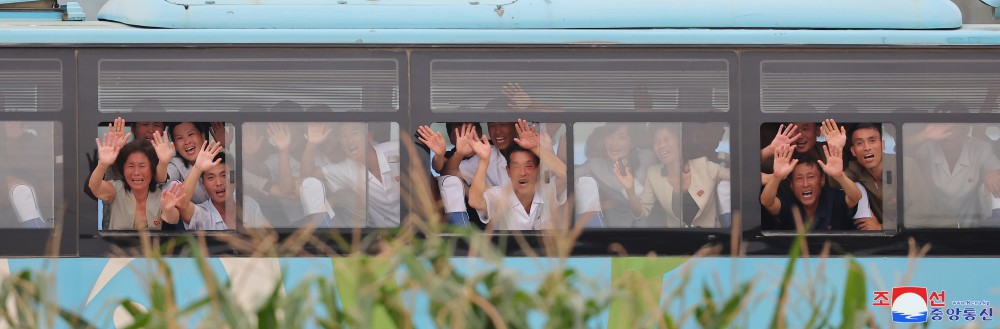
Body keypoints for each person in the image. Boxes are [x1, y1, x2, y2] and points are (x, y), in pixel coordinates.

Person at [468, 119, 567, 230]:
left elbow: (566, 175)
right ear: (508, 171)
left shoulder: (547, 190)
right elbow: (475, 201)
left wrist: (536, 148)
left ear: (537, 170)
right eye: (516, 166)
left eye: (528, 166)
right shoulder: (499, 195)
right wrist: (484, 160)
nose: (522, 172)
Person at [301, 122, 400, 228]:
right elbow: (307, 176)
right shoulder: (347, 170)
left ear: (368, 136)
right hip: (387, 237)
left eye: (354, 133)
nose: (349, 140)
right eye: (344, 136)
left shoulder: (397, 150)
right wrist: (312, 143)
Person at [631, 124, 731, 228]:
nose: (661, 145)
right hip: (677, 240)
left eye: (666, 139)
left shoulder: (704, 166)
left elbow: (739, 177)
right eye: (657, 141)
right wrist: (630, 190)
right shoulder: (653, 173)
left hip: (710, 240)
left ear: (680, 141)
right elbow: (641, 214)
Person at [906, 121, 1000, 228]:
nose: (947, 133)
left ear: (964, 130)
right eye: (942, 128)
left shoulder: (980, 149)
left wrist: (994, 174)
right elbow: (900, 151)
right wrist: (925, 135)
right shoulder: (927, 149)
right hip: (933, 229)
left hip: (974, 231)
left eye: (953, 127)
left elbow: (996, 172)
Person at [760, 144, 863, 231]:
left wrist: (840, 176)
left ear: (822, 180)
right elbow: (767, 202)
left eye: (811, 177)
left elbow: (855, 197)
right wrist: (777, 177)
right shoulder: (789, 202)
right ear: (792, 185)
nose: (805, 184)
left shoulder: (833, 198)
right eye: (799, 179)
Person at [169, 143, 269, 230]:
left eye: (224, 175)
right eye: (211, 178)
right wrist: (198, 167)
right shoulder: (202, 214)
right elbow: (181, 203)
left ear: (235, 179)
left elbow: (270, 237)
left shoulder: (249, 205)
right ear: (203, 185)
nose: (218, 183)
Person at [88, 133, 177, 230]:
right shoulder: (116, 189)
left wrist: (168, 209)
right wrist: (103, 164)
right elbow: (94, 187)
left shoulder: (161, 195)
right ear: (123, 169)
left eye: (142, 166)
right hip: (117, 245)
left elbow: (173, 219)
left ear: (152, 169)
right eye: (130, 166)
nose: (136, 172)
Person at [575, 123, 655, 228]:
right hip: (617, 233)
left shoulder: (647, 157)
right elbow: (569, 174)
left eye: (621, 137)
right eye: (610, 136)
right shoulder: (597, 165)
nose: (614, 143)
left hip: (654, 231)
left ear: (631, 142)